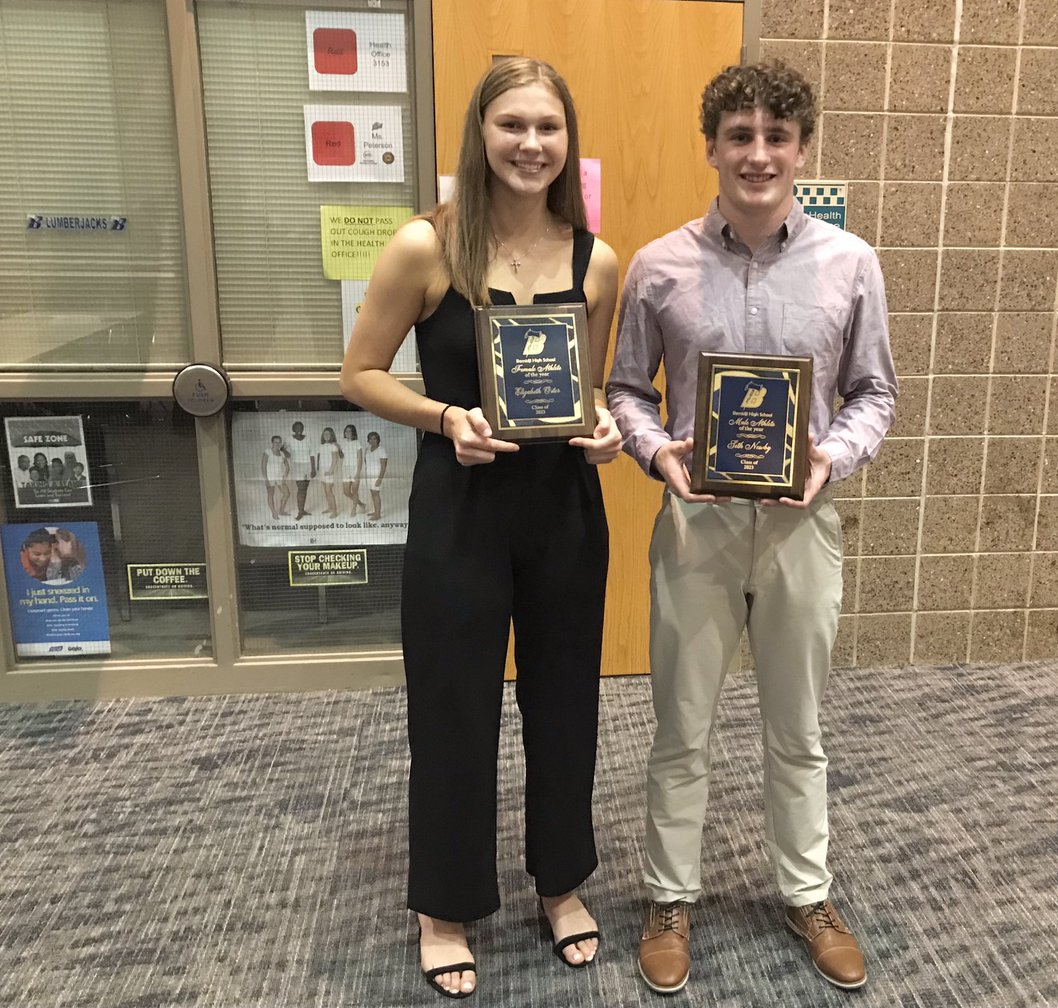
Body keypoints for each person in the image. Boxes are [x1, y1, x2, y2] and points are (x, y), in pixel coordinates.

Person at [606, 61, 897, 995]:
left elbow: (873, 394)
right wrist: (659, 456)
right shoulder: (658, 266)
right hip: (695, 527)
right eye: (741, 136)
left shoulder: (851, 265)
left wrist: (830, 460)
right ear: (713, 148)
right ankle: (668, 897)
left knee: (797, 727)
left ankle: (807, 893)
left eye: (777, 136)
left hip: (802, 526)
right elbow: (622, 393)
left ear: (801, 150)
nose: (759, 154)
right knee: (680, 725)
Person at [341, 57, 620, 999]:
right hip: (458, 503)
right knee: (454, 709)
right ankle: (446, 902)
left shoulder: (597, 259)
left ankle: (561, 881)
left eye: (548, 127)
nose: (531, 145)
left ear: (566, 139)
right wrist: (443, 416)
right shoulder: (426, 247)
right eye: (513, 126)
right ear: (481, 133)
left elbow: (585, 387)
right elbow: (362, 373)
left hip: (562, 511)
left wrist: (605, 426)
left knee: (564, 703)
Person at [261, 435, 292, 519]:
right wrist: (265, 479)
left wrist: (284, 478)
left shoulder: (282, 454)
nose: (277, 444)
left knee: (287, 494)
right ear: (272, 443)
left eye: (279, 442)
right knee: (271, 494)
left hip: (279, 477)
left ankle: (281, 511)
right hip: (270, 477)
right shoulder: (267, 452)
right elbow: (263, 467)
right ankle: (274, 512)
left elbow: (288, 468)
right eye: (275, 442)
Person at [290, 421, 315, 520]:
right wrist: (287, 453)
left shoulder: (308, 438)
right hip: (297, 465)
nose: (299, 429)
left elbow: (312, 454)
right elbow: (282, 448)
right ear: (293, 429)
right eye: (297, 428)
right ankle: (300, 512)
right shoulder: (289, 439)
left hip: (308, 465)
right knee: (300, 489)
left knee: (305, 488)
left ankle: (302, 509)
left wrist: (313, 469)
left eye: (301, 427)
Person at [317, 427, 342, 517]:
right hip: (322, 470)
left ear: (332, 435)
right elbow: (319, 458)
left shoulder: (333, 446)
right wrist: (318, 469)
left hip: (329, 471)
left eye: (328, 434)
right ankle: (330, 507)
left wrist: (331, 471)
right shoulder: (321, 446)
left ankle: (334, 511)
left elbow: (335, 460)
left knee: (329, 491)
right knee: (326, 491)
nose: (326, 436)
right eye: (325, 434)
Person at [341, 423, 366, 517]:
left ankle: (354, 509)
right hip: (345, 469)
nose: (347, 433)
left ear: (353, 433)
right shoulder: (343, 443)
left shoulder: (357, 443)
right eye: (346, 431)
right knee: (346, 492)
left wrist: (358, 473)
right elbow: (342, 456)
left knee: (355, 491)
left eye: (349, 431)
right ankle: (361, 504)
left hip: (355, 469)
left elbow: (360, 458)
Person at [362, 431, 388, 521]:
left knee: (376, 494)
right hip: (369, 475)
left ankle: (378, 514)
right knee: (372, 493)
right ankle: (376, 511)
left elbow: (384, 466)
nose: (372, 440)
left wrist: (380, 478)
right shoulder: (367, 449)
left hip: (377, 475)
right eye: (370, 439)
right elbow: (366, 461)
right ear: (368, 440)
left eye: (374, 438)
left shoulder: (381, 450)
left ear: (378, 440)